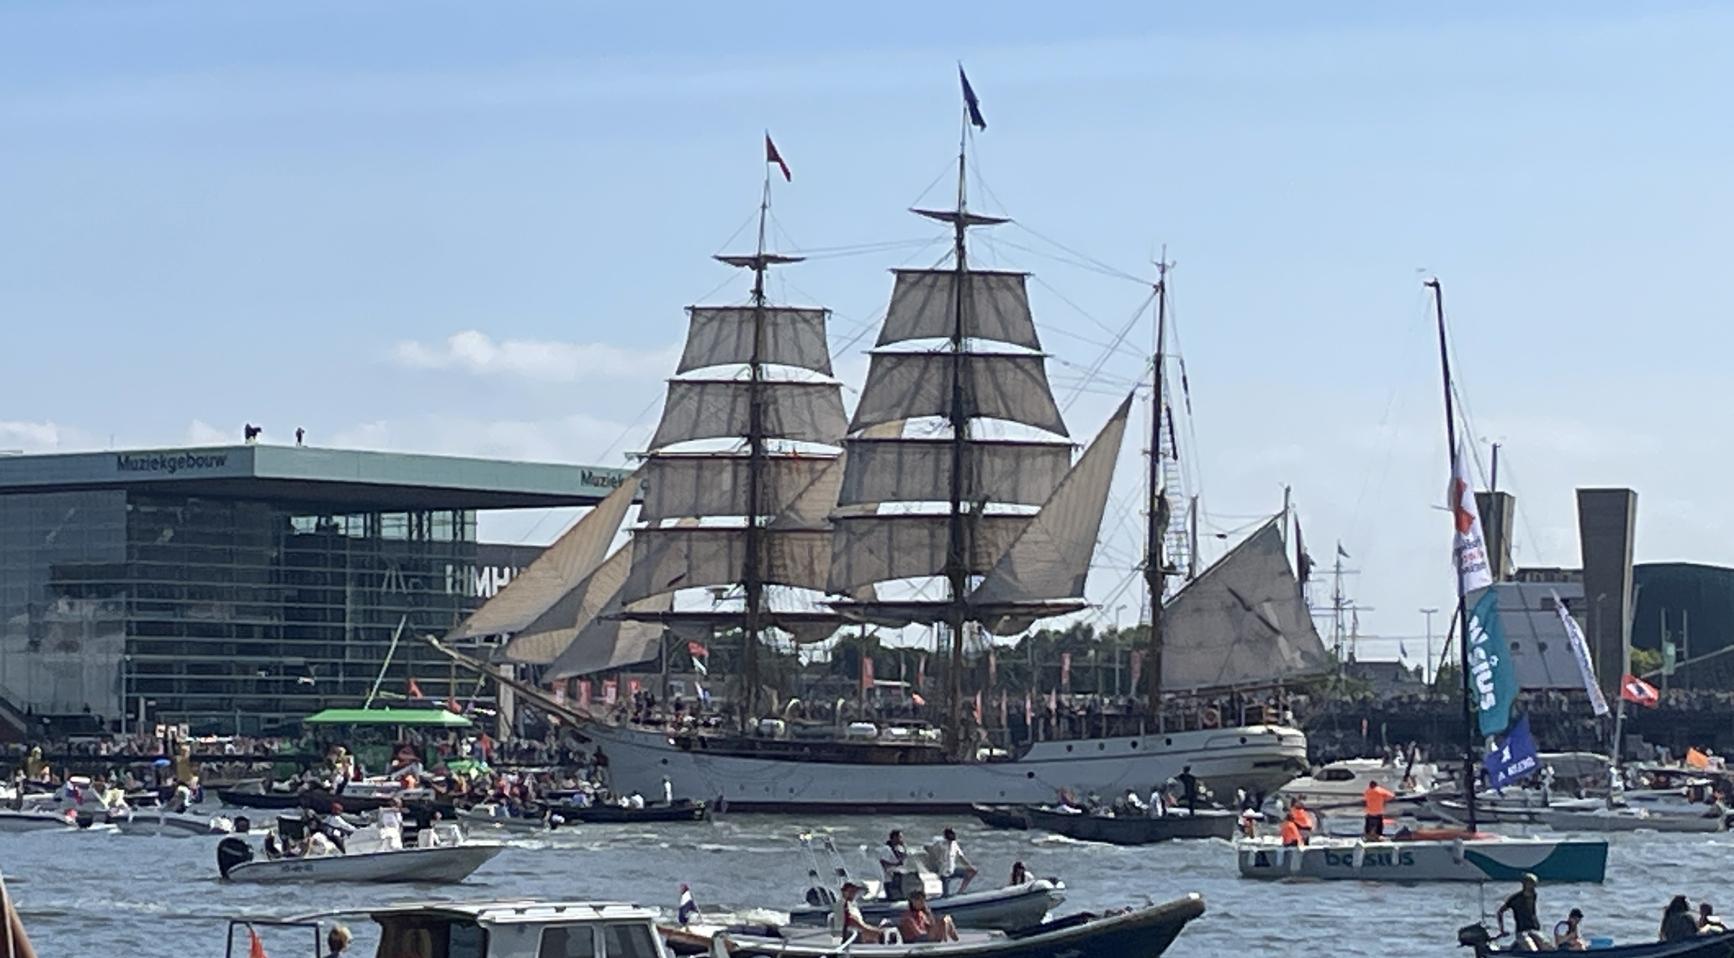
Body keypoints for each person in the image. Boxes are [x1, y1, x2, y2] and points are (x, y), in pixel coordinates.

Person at [1496, 874, 1545, 952]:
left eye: (1534, 884)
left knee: (1548, 947)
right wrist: (1502, 930)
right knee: (1533, 951)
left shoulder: (1534, 895)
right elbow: (1500, 912)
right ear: (1525, 884)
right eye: (1530, 884)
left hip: (1534, 929)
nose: (1533, 887)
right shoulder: (1515, 899)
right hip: (1522, 931)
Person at [933, 828, 977, 895]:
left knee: (971, 872)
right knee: (945, 895)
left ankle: (960, 892)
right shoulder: (940, 845)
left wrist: (970, 867)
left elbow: (961, 858)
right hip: (942, 873)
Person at [879, 830, 909, 897]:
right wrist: (896, 865)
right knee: (892, 895)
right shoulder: (886, 849)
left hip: (897, 877)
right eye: (900, 837)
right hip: (889, 878)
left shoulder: (897, 849)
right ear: (895, 837)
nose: (902, 839)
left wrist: (904, 847)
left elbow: (903, 859)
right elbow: (883, 862)